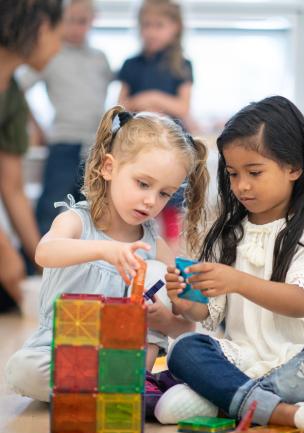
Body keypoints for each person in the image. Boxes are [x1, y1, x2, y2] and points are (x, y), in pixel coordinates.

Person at [158, 96, 304, 433]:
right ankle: (286, 413)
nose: (241, 186)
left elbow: (301, 303)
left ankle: (224, 400)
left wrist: (236, 281)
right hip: (240, 360)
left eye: (254, 172)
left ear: (294, 168)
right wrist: (184, 301)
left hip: (297, 363)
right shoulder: (229, 234)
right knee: (184, 349)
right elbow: (207, 313)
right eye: (233, 174)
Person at [5, 105, 209, 403]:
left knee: (155, 270)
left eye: (165, 193)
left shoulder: (154, 245)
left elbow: (186, 326)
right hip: (62, 350)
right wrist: (106, 249)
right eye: (143, 183)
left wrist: (165, 319)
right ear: (109, 167)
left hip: (124, 357)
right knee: (20, 371)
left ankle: (117, 385)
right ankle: (112, 389)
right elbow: (44, 252)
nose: (151, 201)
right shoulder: (76, 221)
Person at [18, 0, 113, 236]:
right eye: (68, 21)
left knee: (91, 207)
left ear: (93, 20)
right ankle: (37, 262)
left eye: (81, 21)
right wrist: (36, 126)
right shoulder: (51, 54)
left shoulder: (100, 58)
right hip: (63, 141)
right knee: (52, 203)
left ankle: (83, 261)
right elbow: (17, 88)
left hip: (95, 145)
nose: (74, 27)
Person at [0, 0, 63, 310]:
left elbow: (11, 188)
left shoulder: (12, 96)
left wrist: (43, 264)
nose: (58, 49)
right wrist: (3, 251)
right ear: (40, 27)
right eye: (58, 37)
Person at [118, 0, 194, 251]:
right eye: (146, 25)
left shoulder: (181, 65)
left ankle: (171, 259)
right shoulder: (132, 64)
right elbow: (120, 105)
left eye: (158, 25)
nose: (151, 31)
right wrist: (139, 102)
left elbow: (182, 107)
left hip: (170, 146)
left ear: (175, 28)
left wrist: (153, 99)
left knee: (170, 203)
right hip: (140, 145)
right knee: (139, 197)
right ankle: (133, 251)